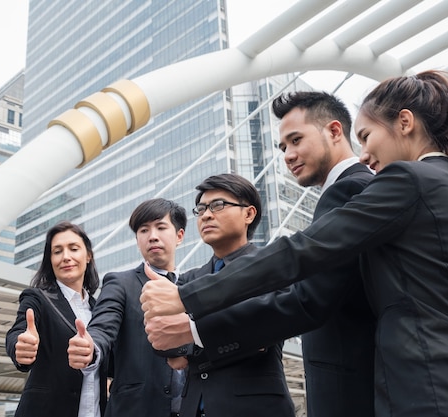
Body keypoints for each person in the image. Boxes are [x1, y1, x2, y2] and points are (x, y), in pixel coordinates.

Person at [141, 70, 448, 417]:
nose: (365, 155)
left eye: (296, 140)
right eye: (282, 146)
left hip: (408, 387)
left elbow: (303, 270)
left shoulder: (384, 184)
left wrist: (187, 306)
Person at [145, 92, 376, 417]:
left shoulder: (348, 192)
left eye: (296, 140)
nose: (287, 155)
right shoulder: (191, 276)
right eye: (282, 147)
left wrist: (192, 330)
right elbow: (161, 342)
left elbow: (295, 307)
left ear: (335, 131)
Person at [163, 173, 295, 417]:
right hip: (193, 408)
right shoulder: (188, 280)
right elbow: (164, 342)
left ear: (249, 214)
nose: (206, 215)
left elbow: (263, 329)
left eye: (218, 205)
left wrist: (192, 334)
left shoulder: (272, 264)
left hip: (255, 409)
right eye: (201, 208)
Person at [67, 198, 187, 417]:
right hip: (136, 409)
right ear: (137, 240)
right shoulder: (120, 283)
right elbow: (102, 328)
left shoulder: (194, 287)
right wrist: (91, 347)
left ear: (179, 236)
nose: (152, 236)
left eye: (161, 227)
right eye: (143, 230)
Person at [6, 221, 107, 417]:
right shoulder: (38, 299)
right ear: (50, 260)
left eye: (74, 249)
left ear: (88, 255)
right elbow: (17, 332)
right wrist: (20, 346)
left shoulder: (101, 309)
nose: (66, 257)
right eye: (57, 251)